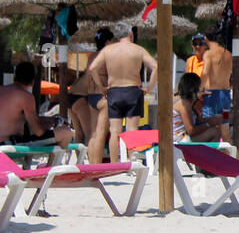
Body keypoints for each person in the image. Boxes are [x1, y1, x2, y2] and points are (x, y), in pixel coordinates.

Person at [88, 22, 157, 163]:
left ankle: (115, 163)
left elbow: (92, 68)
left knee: (114, 131)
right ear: (130, 34)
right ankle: (132, 161)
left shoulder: (108, 50)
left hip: (114, 90)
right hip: (133, 90)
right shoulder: (138, 50)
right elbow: (155, 66)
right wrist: (150, 87)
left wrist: (101, 87)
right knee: (132, 129)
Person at [0, 61, 73, 148]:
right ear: (33, 82)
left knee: (30, 138)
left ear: (15, 77)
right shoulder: (26, 97)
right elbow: (38, 131)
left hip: (6, 142)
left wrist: (48, 120)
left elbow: (16, 119)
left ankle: (28, 162)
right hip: (11, 144)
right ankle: (51, 162)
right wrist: (49, 125)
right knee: (66, 132)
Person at [68, 26, 114, 160]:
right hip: (89, 97)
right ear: (107, 42)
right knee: (94, 134)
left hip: (79, 96)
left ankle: (82, 161)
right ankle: (94, 163)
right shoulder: (106, 57)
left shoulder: (91, 57)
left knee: (82, 133)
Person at [173, 72, 228, 144]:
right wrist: (208, 124)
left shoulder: (180, 99)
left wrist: (210, 121)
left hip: (178, 137)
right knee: (215, 132)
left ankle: (206, 154)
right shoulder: (184, 104)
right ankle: (206, 155)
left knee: (219, 122)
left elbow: (197, 120)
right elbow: (191, 130)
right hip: (179, 140)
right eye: (199, 87)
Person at [200, 33, 233, 122]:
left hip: (211, 95)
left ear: (205, 37)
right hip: (226, 95)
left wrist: (200, 90)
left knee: (209, 125)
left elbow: (205, 72)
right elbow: (237, 74)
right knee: (225, 125)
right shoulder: (228, 54)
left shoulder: (208, 54)